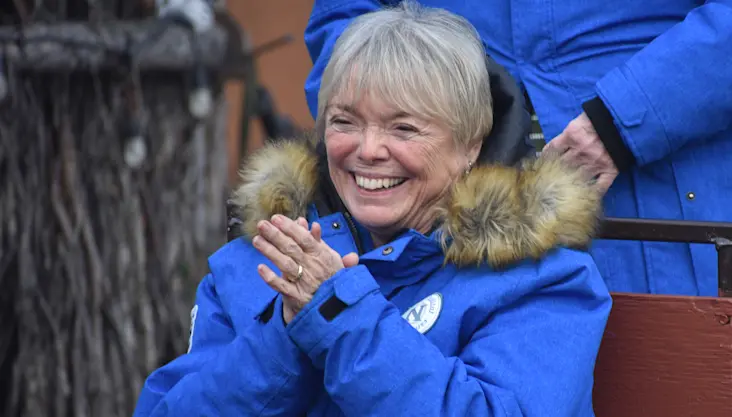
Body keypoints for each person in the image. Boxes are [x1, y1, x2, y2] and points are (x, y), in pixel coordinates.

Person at [303, 1, 732, 416]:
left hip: (688, 213)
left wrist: (625, 118)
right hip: (444, 249)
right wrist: (393, 121)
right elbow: (347, 19)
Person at [133, 4, 612, 416]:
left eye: (403, 128)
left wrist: (337, 315)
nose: (368, 150)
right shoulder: (264, 258)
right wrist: (283, 333)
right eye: (345, 122)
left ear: (471, 144)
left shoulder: (541, 280)